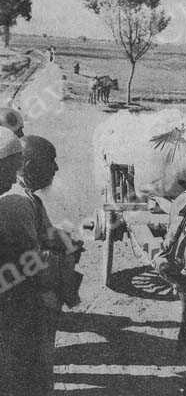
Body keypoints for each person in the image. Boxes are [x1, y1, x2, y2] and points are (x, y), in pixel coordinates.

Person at [0, 135, 83, 395]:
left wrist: (65, 242)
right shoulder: (16, 203)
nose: (56, 168)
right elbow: (26, 262)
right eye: (51, 161)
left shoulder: (25, 198)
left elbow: (43, 234)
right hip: (18, 308)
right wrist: (63, 259)